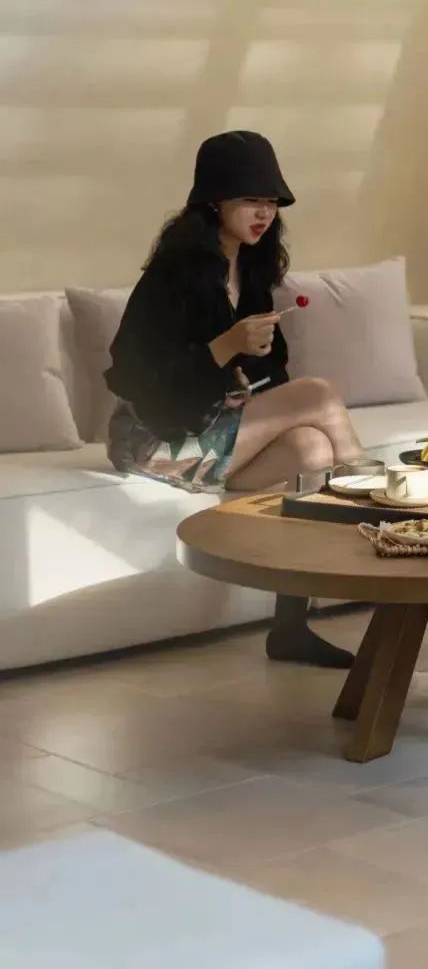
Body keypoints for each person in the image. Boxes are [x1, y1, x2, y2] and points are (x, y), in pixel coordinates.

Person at [106, 130, 364, 668]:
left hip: (213, 431)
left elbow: (270, 369)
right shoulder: (172, 275)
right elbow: (133, 377)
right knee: (318, 395)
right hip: (157, 440)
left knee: (312, 450)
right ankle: (382, 511)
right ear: (213, 201)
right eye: (251, 200)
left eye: (272, 201)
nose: (264, 213)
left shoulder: (250, 270)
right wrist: (223, 348)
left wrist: (247, 371)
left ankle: (289, 627)